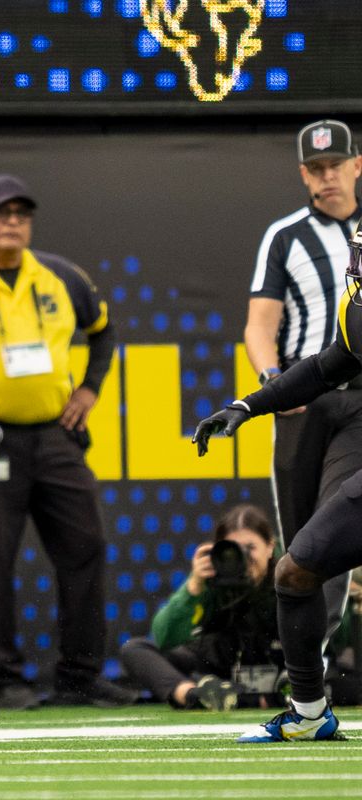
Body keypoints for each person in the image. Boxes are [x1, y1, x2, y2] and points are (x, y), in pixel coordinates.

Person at [0, 174, 134, 710]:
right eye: (0, 213)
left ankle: (80, 676)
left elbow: (102, 330)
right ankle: (5, 679)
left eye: (21, 214)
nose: (12, 222)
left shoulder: (60, 275)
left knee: (86, 547)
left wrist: (90, 388)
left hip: (56, 435)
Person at [191, 223, 362, 743]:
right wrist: (248, 405)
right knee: (296, 571)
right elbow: (329, 365)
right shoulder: (356, 307)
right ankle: (308, 712)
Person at [243, 119, 362, 648]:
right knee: (299, 542)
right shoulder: (285, 235)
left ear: (357, 165)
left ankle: (323, 660)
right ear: (303, 175)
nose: (327, 176)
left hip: (359, 399)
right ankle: (303, 661)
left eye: (335, 164)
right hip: (305, 396)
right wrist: (271, 379)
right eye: (316, 168)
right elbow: (259, 325)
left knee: (335, 528)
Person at [120, 505, 279, 711]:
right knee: (134, 649)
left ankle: (246, 699)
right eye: (234, 550)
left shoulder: (287, 576)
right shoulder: (210, 578)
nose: (243, 557)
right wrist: (193, 587)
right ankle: (193, 695)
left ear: (270, 547)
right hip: (219, 671)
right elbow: (165, 638)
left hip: (278, 664)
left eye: (250, 548)